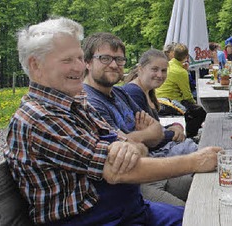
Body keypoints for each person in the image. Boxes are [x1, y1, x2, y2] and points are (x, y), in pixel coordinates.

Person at [5, 17, 220, 225]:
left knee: (210, 217)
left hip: (131, 210)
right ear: (36, 65)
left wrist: (129, 146)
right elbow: (118, 172)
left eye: (80, 58)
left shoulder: (77, 104)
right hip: (95, 220)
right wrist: (195, 161)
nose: (79, 68)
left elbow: (138, 149)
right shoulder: (39, 119)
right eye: (67, 60)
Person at [83, 34, 195, 207]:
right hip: (135, 185)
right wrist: (144, 136)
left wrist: (139, 137)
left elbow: (157, 131)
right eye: (104, 58)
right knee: (191, 213)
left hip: (154, 170)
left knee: (211, 184)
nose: (113, 65)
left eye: (119, 59)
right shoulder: (89, 102)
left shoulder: (120, 93)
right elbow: (124, 155)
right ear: (87, 62)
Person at [156, 43, 207, 138]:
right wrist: (195, 104)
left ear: (173, 54)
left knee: (192, 110)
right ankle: (191, 136)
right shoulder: (181, 72)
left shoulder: (167, 66)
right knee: (200, 112)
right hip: (169, 103)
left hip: (158, 100)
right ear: (187, 56)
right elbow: (187, 95)